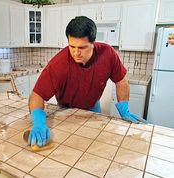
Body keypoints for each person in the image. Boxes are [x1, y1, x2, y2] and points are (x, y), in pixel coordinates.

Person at [28, 16, 143, 147]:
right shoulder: (58, 64)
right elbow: (37, 95)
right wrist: (38, 123)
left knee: (96, 147)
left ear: (93, 43)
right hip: (67, 111)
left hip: (94, 108)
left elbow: (121, 81)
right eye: (72, 46)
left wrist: (124, 109)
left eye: (82, 47)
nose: (76, 53)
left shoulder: (108, 54)